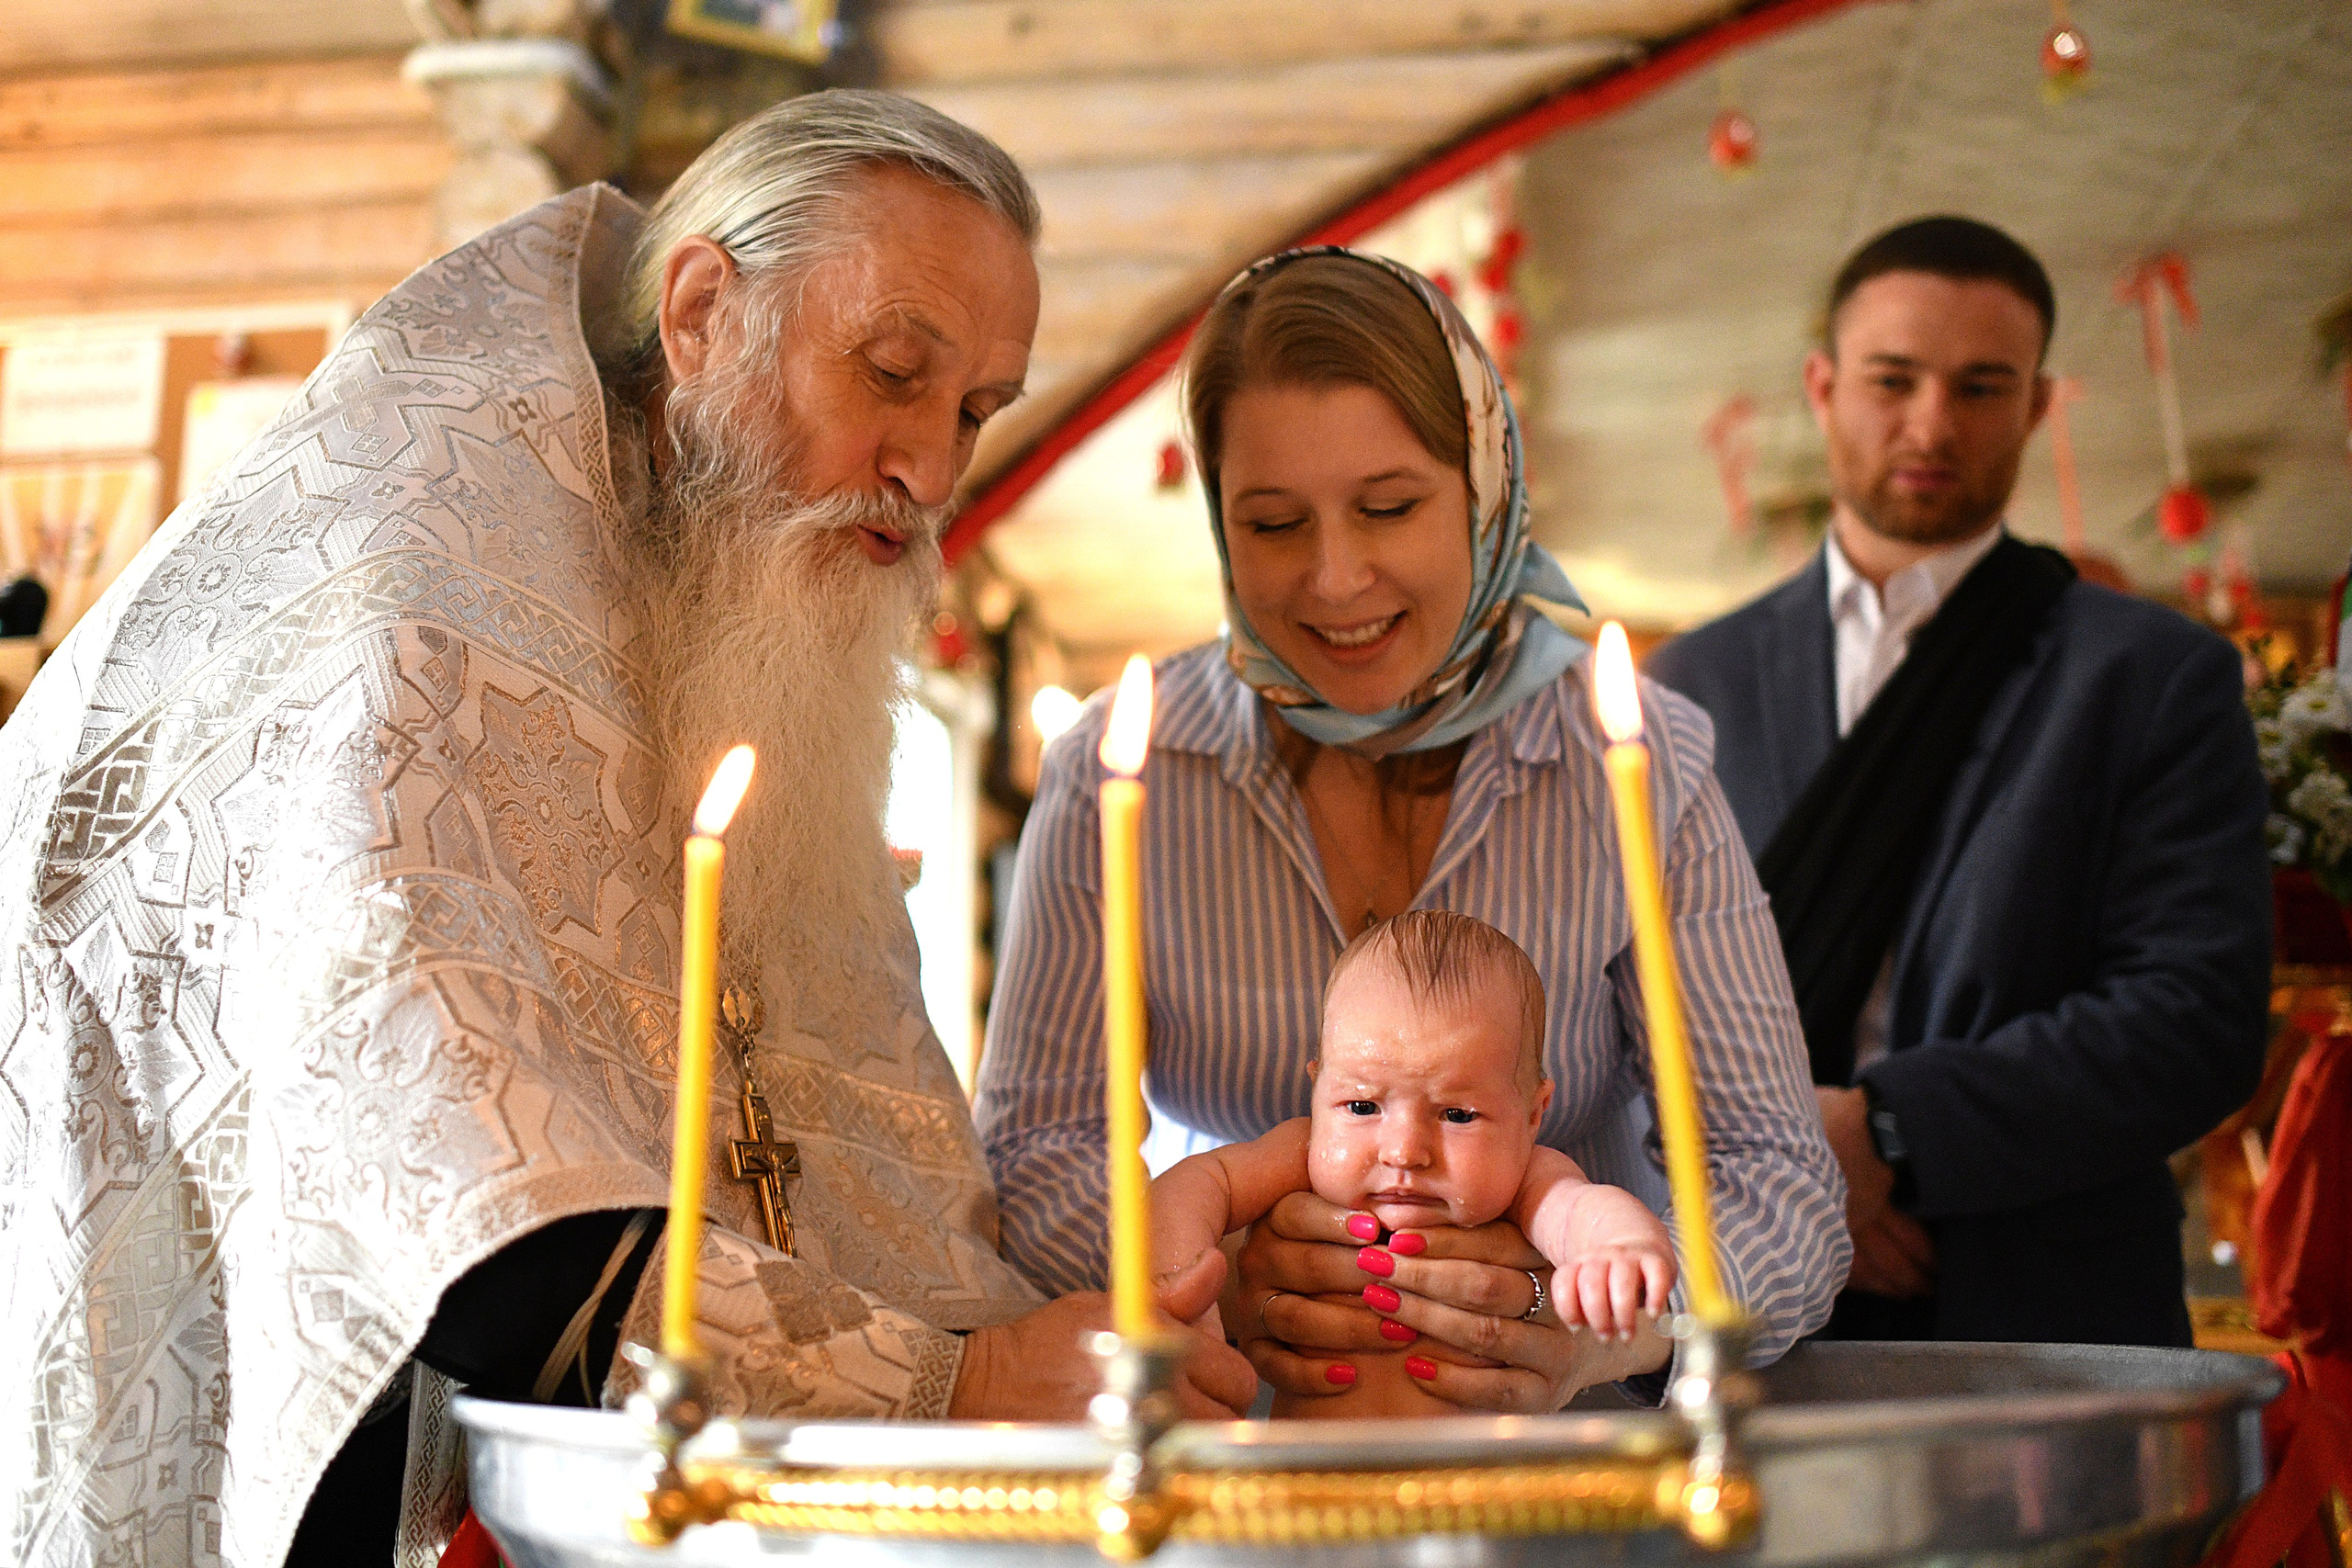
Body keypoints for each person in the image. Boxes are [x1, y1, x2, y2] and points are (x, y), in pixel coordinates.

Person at [0, 91, 1250, 1568]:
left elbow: (872, 1159)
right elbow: (458, 1209)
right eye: (895, 372)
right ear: (706, 308)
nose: (929, 472)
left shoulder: (732, 603)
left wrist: (1087, 1327)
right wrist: (959, 1379)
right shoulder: (417, 602)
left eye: (975, 410)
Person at [976, 246, 1849, 1416]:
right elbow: (1035, 1158)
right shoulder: (1120, 774)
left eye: (1389, 508)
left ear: (1485, 486)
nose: (1336, 579)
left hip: (1563, 1455)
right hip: (1239, 1434)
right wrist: (1222, 1279)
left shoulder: (1636, 761)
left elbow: (1780, 1183)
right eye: (1274, 522)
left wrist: (1606, 1319)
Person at [1647, 215, 2270, 1346]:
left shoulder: (2149, 678)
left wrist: (1887, 1133)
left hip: (2044, 1300)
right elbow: (1624, 1007)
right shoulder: (1693, 681)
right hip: (1745, 1301)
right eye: (1893, 380)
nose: (1933, 423)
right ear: (1823, 387)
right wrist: (1801, 1170)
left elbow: (2193, 1017)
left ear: (2037, 406)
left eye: (1983, 388)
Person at [1151, 910, 1677, 1417]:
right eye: (1362, 1107)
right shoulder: (1299, 1154)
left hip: (1475, 1501)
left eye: (1457, 1114)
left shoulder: (1527, 1179)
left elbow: (1583, 1209)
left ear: (1532, 1113)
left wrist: (1617, 1252)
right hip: (1313, 1496)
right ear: (1318, 1088)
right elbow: (1200, 1181)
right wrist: (1177, 1283)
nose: (1403, 1151)